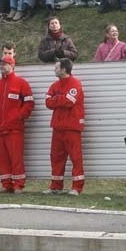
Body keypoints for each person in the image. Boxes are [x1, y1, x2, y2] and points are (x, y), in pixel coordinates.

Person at [0, 55, 34, 194]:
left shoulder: (21, 83)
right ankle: (5, 183)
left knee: (16, 158)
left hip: (14, 129)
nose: (2, 66)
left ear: (12, 66)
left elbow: (29, 104)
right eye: (1, 64)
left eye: (5, 64)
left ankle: (18, 185)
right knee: (2, 158)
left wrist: (18, 118)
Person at [43, 58, 85, 196]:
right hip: (57, 127)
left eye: (56, 68)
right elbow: (48, 102)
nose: (54, 70)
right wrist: (60, 98)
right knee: (55, 157)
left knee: (75, 157)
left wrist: (57, 98)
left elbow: (69, 101)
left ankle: (77, 188)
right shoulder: (54, 85)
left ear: (64, 69)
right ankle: (55, 186)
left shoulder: (75, 83)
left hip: (72, 127)